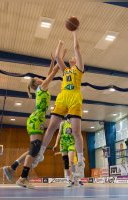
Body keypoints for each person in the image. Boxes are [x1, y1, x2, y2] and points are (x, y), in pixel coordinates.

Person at [2, 50, 67, 184]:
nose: (41, 78)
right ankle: (22, 178)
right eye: (38, 78)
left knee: (34, 149)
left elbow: (49, 73)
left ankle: (11, 168)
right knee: (35, 149)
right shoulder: (42, 87)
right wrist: (59, 58)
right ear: (37, 83)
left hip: (35, 119)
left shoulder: (41, 88)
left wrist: (52, 61)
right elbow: (53, 73)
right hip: (36, 119)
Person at [34, 30, 85, 178]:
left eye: (74, 57)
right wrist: (60, 44)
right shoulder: (66, 71)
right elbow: (57, 57)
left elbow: (77, 49)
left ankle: (80, 161)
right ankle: (41, 154)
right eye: (72, 57)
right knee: (51, 127)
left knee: (76, 131)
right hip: (63, 98)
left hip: (75, 97)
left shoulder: (79, 69)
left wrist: (75, 32)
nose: (72, 57)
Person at [53, 117, 77, 187]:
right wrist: (56, 144)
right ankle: (69, 180)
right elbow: (59, 134)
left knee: (71, 162)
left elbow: (76, 135)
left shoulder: (75, 124)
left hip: (71, 144)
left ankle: (74, 177)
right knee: (66, 163)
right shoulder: (63, 123)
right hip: (63, 144)